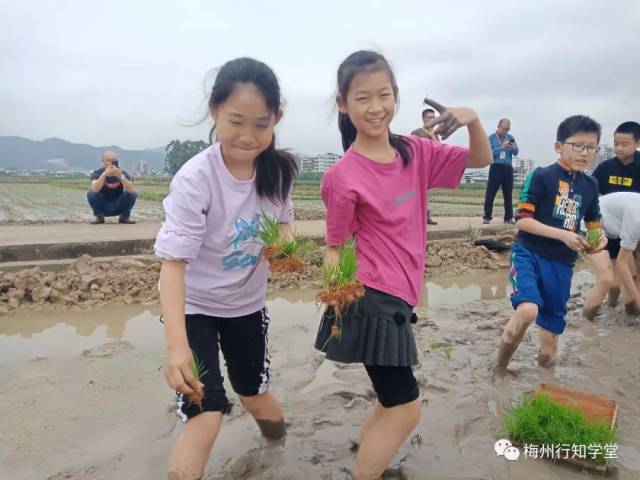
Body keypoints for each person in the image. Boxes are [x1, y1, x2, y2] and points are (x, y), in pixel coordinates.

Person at [315, 50, 491, 479]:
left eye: (384, 95)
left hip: (401, 294)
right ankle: (365, 472)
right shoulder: (343, 175)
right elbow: (335, 245)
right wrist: (335, 297)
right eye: (362, 98)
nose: (376, 107)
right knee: (407, 407)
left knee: (389, 399)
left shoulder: (415, 152)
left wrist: (471, 119)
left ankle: (365, 458)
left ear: (396, 97)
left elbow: (481, 159)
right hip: (372, 297)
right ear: (343, 103)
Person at [154, 57, 298, 480]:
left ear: (277, 119)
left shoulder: (281, 170)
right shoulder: (196, 177)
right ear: (214, 111)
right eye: (235, 121)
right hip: (193, 306)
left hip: (246, 307)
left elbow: (284, 221)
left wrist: (285, 245)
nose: (248, 136)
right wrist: (176, 347)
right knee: (207, 410)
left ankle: (280, 446)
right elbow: (173, 266)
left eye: (261, 124)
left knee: (254, 395)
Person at [493, 115, 606, 383]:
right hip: (529, 254)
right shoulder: (542, 176)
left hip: (562, 265)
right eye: (577, 145)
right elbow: (523, 221)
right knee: (528, 309)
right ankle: (499, 369)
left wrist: (597, 241)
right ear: (559, 146)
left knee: (550, 341)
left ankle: (546, 386)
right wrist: (564, 235)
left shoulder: (590, 186)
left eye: (591, 147)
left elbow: (594, 225)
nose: (584, 153)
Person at [588, 121, 640, 310]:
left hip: (633, 225)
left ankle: (630, 308)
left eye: (624, 144)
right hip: (610, 226)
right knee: (615, 278)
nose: (618, 148)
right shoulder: (605, 168)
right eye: (616, 143)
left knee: (634, 272)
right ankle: (612, 306)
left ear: (637, 143)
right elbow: (590, 193)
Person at [583, 192, 640, 318]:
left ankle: (631, 316)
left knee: (636, 272)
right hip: (591, 222)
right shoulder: (637, 221)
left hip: (615, 226)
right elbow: (622, 263)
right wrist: (637, 297)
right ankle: (586, 323)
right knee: (606, 279)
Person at [483, 119, 519, 224]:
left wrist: (513, 147)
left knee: (508, 194)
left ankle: (508, 218)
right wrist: (501, 148)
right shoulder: (491, 138)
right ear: (498, 126)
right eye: (504, 129)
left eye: (508, 129)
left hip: (508, 168)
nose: (505, 131)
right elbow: (488, 154)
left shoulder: (510, 138)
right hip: (496, 167)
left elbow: (516, 153)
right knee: (490, 192)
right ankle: (487, 216)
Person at [87, 151, 137, 224]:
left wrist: (121, 177)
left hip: (118, 205)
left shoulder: (122, 173)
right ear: (102, 161)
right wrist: (104, 175)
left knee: (133, 194)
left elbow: (131, 190)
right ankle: (99, 217)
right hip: (103, 205)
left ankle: (124, 217)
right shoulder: (97, 173)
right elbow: (94, 189)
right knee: (91, 193)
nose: (111, 163)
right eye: (108, 160)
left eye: (113, 161)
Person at [411, 108, 440, 225]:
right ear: (423, 119)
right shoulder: (416, 133)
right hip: (418, 167)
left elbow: (440, 150)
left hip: (431, 168)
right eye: (429, 117)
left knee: (429, 194)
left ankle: (426, 217)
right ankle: (414, 216)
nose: (432, 120)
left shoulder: (435, 135)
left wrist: (433, 136)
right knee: (415, 193)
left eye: (434, 118)